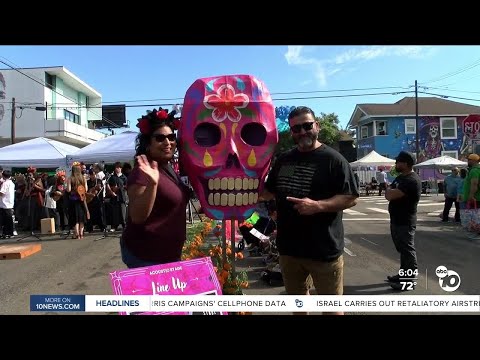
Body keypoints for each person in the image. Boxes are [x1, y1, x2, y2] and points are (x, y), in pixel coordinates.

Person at [260, 106, 358, 315]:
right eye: (297, 129)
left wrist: (318, 206)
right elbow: (268, 192)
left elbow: (350, 197)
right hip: (289, 251)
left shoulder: (334, 160)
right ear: (292, 132)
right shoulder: (283, 160)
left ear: (317, 126)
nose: (303, 132)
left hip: (323, 251)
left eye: (307, 126)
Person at [120, 107, 189, 269]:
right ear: (147, 144)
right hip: (147, 257)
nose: (167, 142)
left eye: (171, 137)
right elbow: (137, 216)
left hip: (168, 255)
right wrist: (153, 183)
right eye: (160, 138)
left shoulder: (167, 166)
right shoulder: (142, 171)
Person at [385, 151, 422, 291]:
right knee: (402, 249)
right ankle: (403, 275)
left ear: (406, 164)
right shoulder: (401, 178)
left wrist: (390, 191)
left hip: (405, 220)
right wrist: (390, 191)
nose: (396, 164)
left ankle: (409, 280)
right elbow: (389, 193)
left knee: (407, 250)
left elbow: (390, 195)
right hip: (396, 219)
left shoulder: (411, 180)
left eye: (398, 162)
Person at [66, 162, 89, 239]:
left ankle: (77, 234)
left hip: (73, 200)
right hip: (81, 200)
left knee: (75, 218)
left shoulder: (70, 178)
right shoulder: (83, 178)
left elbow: (68, 190)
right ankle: (81, 234)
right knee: (81, 218)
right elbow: (86, 189)